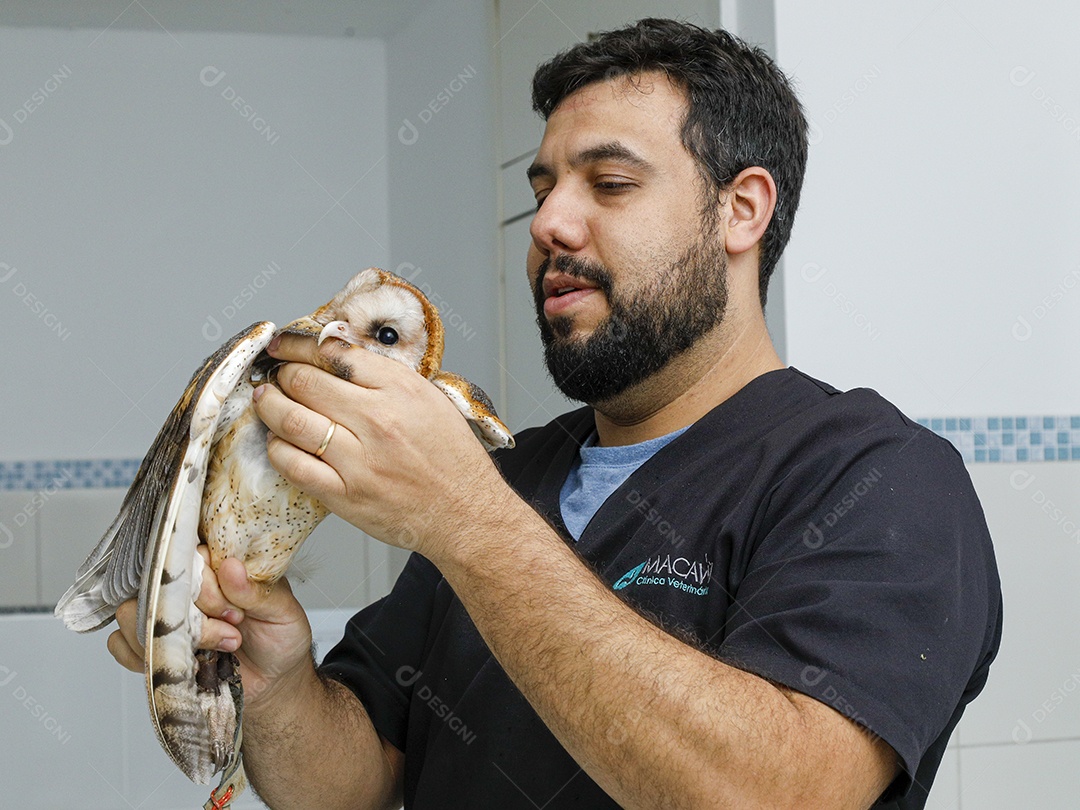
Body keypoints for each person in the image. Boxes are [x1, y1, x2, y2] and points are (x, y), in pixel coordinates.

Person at [108, 18, 1001, 809]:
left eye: (608, 183)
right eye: (543, 190)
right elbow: (356, 784)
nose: (548, 224)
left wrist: (465, 520)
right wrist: (276, 681)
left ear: (741, 210)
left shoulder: (877, 478)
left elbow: (780, 796)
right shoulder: (509, 475)